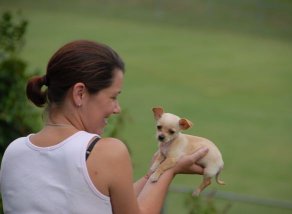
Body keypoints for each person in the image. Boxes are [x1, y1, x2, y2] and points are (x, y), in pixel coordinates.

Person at [0, 40, 208, 213]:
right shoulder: (107, 152)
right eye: (113, 97)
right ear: (80, 93)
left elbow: (96, 201)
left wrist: (150, 176)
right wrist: (170, 171)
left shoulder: (13, 151)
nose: (117, 109)